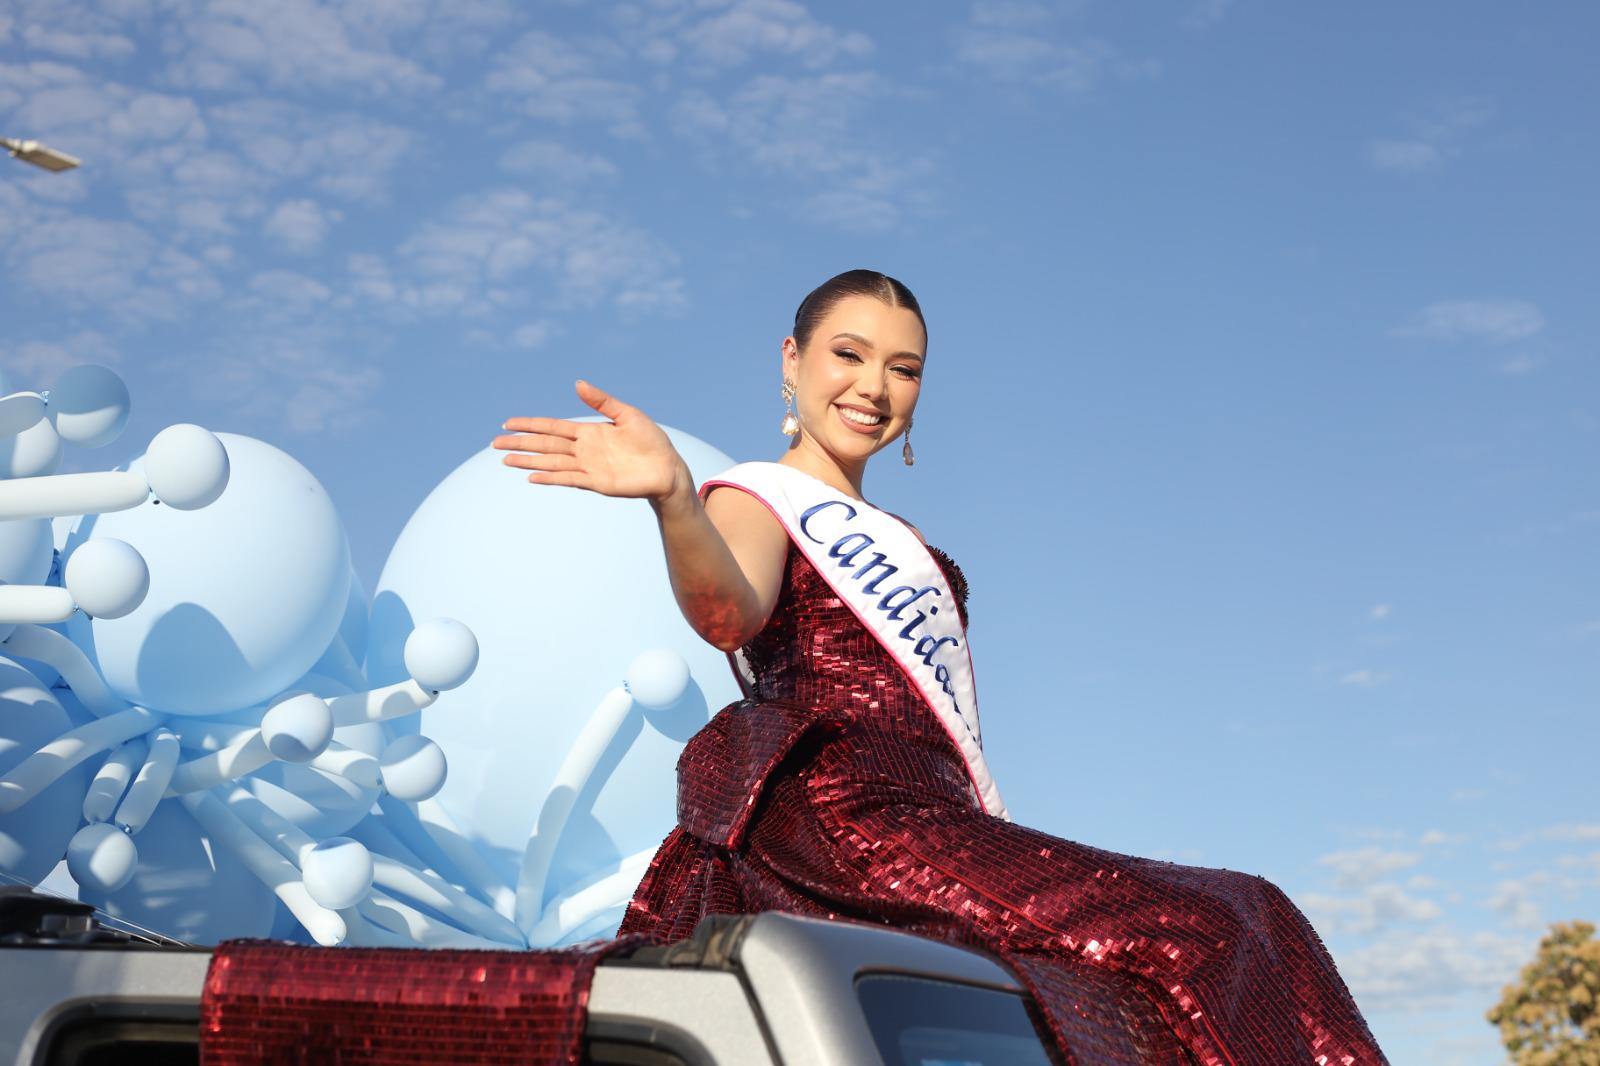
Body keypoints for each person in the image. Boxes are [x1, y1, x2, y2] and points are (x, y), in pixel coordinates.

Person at [493, 270, 1387, 1063]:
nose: (874, 387)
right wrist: (677, 499)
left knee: (1217, 934)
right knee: (1203, 928)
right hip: (844, 810)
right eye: (849, 353)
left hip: (932, 809)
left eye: (904, 367)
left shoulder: (895, 537)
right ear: (792, 359)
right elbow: (728, 609)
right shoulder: (759, 500)